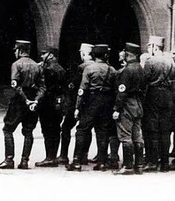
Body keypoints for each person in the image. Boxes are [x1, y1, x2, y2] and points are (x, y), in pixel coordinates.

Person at [0, 40, 45, 170]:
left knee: (8, 128)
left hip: (19, 100)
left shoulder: (16, 64)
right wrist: (35, 100)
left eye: (15, 50)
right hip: (33, 99)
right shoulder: (37, 66)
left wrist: (25, 99)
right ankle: (24, 161)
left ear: (20, 50)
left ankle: (9, 159)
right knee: (28, 131)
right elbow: (43, 87)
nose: (15, 52)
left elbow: (15, 85)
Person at [67, 44, 117, 172]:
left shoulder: (89, 69)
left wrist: (78, 106)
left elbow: (82, 89)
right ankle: (102, 162)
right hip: (107, 103)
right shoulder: (112, 70)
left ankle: (77, 161)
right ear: (106, 55)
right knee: (102, 131)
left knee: (82, 129)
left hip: (91, 102)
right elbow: (115, 90)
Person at [141, 35, 175, 172]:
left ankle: (152, 161)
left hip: (153, 95)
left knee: (153, 129)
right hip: (167, 96)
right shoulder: (171, 62)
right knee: (165, 130)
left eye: (150, 46)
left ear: (154, 47)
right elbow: (174, 82)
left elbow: (145, 81)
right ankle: (165, 162)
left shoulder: (150, 62)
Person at [57, 42, 94, 165]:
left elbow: (74, 86)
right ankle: (84, 155)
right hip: (90, 104)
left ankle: (64, 155)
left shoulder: (81, 67)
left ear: (83, 53)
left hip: (77, 103)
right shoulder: (97, 66)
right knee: (86, 130)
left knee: (66, 127)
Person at [113, 42, 145, 175]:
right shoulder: (140, 68)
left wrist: (117, 109)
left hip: (128, 105)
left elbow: (122, 92)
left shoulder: (127, 70)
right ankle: (139, 165)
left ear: (127, 54)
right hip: (138, 104)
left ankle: (128, 166)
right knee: (137, 136)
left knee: (125, 135)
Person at [35, 47, 67, 167]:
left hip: (47, 103)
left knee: (47, 130)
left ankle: (50, 157)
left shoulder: (48, 69)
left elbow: (44, 87)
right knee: (56, 130)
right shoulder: (61, 69)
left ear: (51, 55)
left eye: (44, 54)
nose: (42, 56)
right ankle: (53, 156)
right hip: (58, 102)